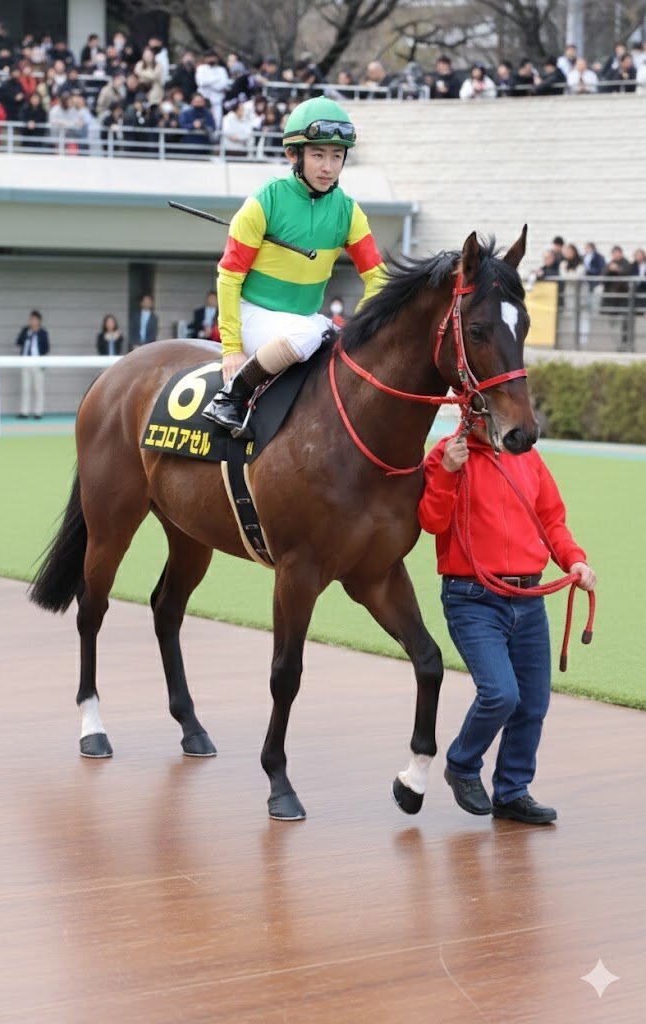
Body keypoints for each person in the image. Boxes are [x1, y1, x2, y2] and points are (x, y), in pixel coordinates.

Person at [418, 426, 596, 825]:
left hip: (529, 600)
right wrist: (447, 470)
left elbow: (551, 519)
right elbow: (431, 521)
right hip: (472, 599)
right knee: (500, 694)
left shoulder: (527, 456)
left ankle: (512, 791)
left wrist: (574, 560)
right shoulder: (447, 453)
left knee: (533, 703)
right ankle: (462, 764)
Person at [203, 96, 386, 435]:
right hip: (253, 314)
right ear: (293, 155)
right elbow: (228, 277)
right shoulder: (264, 202)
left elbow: (377, 278)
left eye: (336, 156)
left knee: (339, 340)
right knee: (309, 333)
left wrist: (361, 325)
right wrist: (231, 349)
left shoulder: (349, 212)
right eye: (318, 155)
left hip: (302, 321)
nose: (328, 167)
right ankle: (232, 396)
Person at [16, 310, 50, 419]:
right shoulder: (26, 331)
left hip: (37, 363)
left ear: (39, 320)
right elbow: (18, 342)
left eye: (34, 319)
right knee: (25, 388)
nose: (32, 321)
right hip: (25, 362)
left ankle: (38, 412)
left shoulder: (43, 332)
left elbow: (46, 348)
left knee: (38, 388)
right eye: (31, 319)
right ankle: (24, 412)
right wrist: (28, 335)